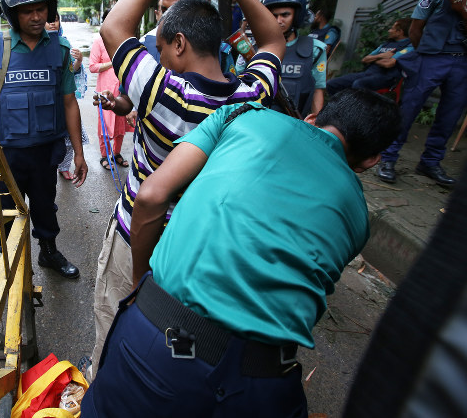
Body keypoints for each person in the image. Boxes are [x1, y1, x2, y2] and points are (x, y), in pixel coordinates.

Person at [81, 89, 403, 417]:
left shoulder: (241, 116)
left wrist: (140, 284)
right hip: (261, 382)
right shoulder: (359, 217)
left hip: (159, 341)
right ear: (370, 161)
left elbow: (150, 196)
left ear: (312, 118)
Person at [84, 0, 284, 382]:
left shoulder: (163, 93)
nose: (157, 54)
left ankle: (105, 397)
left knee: (114, 331)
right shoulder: (250, 97)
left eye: (159, 45)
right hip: (205, 250)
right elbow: (272, 41)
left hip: (138, 237)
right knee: (180, 350)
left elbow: (114, 27)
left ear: (178, 44)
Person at [0, 0, 88, 279]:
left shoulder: (59, 48)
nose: (36, 16)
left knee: (46, 206)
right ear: (11, 11)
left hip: (45, 152)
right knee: (5, 212)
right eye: (27, 10)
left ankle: (48, 252)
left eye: (41, 8)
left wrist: (80, 153)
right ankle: (11, 263)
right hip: (4, 155)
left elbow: (69, 102)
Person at [376, 0, 467, 187]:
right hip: (431, 58)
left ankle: (431, 162)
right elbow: (416, 27)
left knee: (450, 114)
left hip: (462, 62)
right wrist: (424, 55)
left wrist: (461, 9)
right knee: (409, 109)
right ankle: (389, 157)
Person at [260, 0, 328, 116]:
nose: (279, 21)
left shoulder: (314, 50)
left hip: (295, 124)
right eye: (274, 15)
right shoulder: (253, 50)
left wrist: (317, 128)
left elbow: (317, 91)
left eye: (285, 15)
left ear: (297, 16)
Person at [142, 0, 235, 74]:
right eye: (164, 10)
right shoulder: (145, 50)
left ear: (205, 2)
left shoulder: (221, 53)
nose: (167, 19)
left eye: (178, 11)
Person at [43, 12, 89, 181]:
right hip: (48, 107)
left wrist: (78, 61)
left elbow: (72, 72)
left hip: (64, 103)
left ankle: (64, 166)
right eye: (49, 21)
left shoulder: (63, 46)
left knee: (70, 140)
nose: (52, 24)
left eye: (55, 20)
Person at [326, 18, 414, 96]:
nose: (389, 31)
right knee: (332, 84)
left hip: (386, 78)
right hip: (368, 74)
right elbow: (365, 59)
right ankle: (338, 108)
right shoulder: (386, 44)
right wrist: (381, 56)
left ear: (400, 32)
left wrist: (374, 59)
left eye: (392, 29)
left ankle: (355, 112)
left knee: (359, 84)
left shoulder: (408, 46)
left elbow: (389, 64)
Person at [89, 36, 132, 171]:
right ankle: (105, 156)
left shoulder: (123, 41)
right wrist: (112, 63)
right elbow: (92, 66)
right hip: (105, 90)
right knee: (105, 125)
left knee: (121, 123)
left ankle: (116, 153)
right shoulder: (98, 42)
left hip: (122, 89)